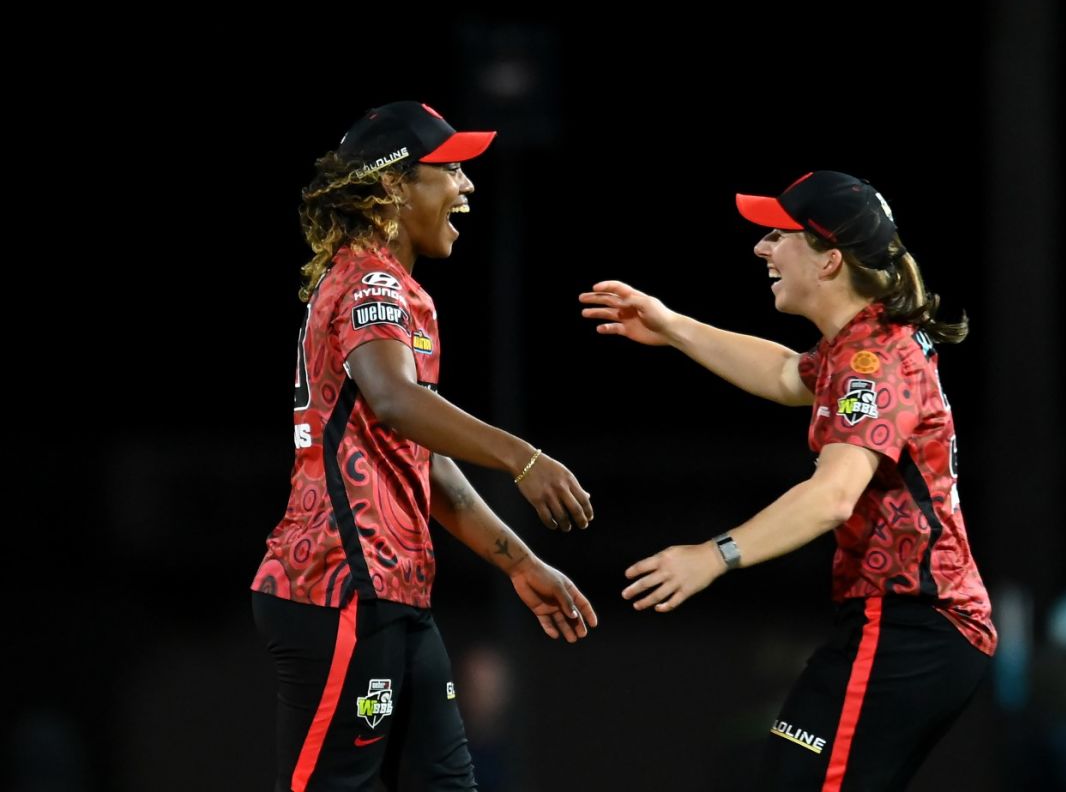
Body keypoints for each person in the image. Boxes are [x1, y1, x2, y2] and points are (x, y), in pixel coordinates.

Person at [580, 171, 995, 790]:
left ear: (829, 261)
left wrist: (714, 556)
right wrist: (670, 326)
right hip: (910, 626)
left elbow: (832, 497)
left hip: (916, 625)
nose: (762, 248)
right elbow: (780, 375)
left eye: (780, 235)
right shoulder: (855, 344)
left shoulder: (871, 360)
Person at [252, 100, 597, 792]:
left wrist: (519, 562)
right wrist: (522, 458)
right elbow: (394, 400)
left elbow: (425, 461)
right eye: (449, 169)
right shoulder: (371, 282)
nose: (467, 185)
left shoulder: (393, 287)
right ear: (392, 186)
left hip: (393, 593)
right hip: (338, 588)